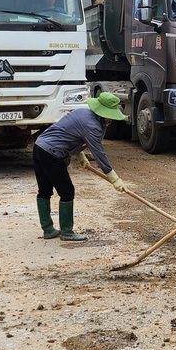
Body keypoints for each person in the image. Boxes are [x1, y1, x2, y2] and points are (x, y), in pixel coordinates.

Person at [33, 92, 127, 241]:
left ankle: (48, 229)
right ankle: (67, 232)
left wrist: (80, 155)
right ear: (102, 112)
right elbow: (99, 154)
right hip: (51, 153)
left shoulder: (82, 112)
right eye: (110, 116)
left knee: (44, 190)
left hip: (39, 147)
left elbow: (70, 134)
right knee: (67, 191)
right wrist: (114, 178)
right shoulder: (92, 126)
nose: (111, 119)